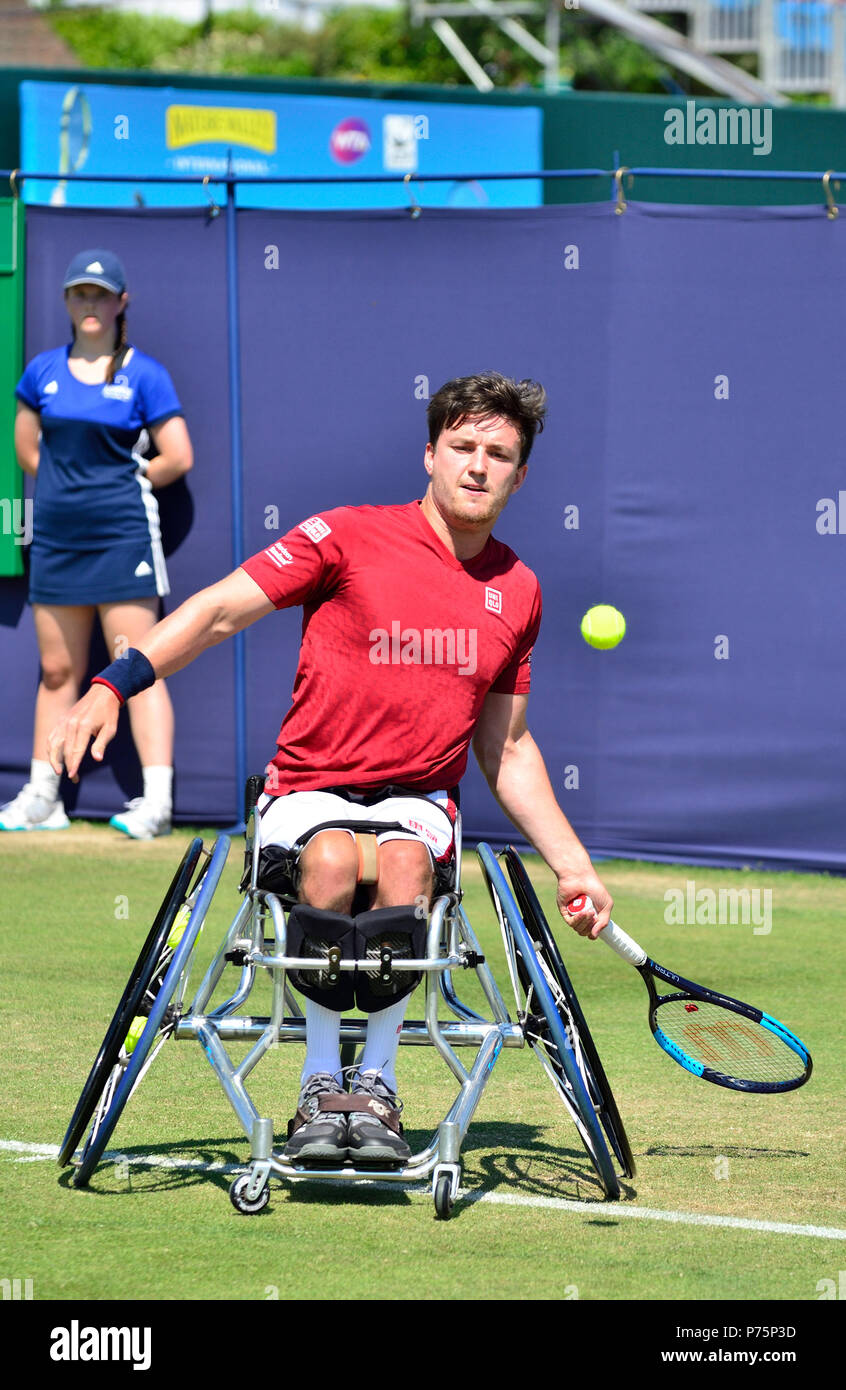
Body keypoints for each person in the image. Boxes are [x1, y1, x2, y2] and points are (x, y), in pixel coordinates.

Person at [45, 371, 613, 1164]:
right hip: (308, 794)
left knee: (404, 860)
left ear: (520, 475)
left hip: (418, 805)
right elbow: (214, 613)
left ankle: (373, 1086)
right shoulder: (344, 535)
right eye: (462, 447)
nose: (478, 466)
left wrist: (572, 864)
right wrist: (114, 683)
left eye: (499, 454)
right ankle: (321, 1080)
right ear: (429, 454)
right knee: (337, 858)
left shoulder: (518, 591)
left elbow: (508, 748)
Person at [1, 249, 193, 839]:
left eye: (100, 294)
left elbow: (178, 456)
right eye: (80, 294)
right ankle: (43, 796)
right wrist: (65, 492)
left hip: (123, 537)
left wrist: (126, 482)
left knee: (134, 666)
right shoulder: (42, 372)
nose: (90, 304)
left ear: (120, 303)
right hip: (58, 540)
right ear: (66, 302)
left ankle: (156, 803)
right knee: (58, 670)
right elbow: (27, 449)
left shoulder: (145, 373)